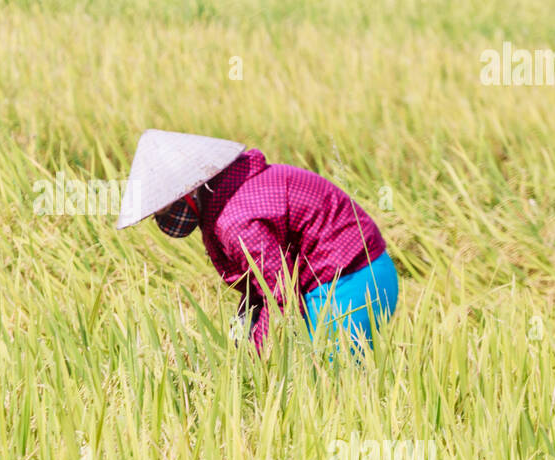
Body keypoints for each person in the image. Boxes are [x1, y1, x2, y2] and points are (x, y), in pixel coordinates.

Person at [116, 129, 397, 354]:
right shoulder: (227, 193)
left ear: (187, 192)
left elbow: (281, 299)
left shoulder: (237, 221)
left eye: (163, 208)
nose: (161, 220)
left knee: (326, 380)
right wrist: (241, 331)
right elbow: (262, 283)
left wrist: (255, 357)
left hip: (353, 282)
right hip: (347, 276)